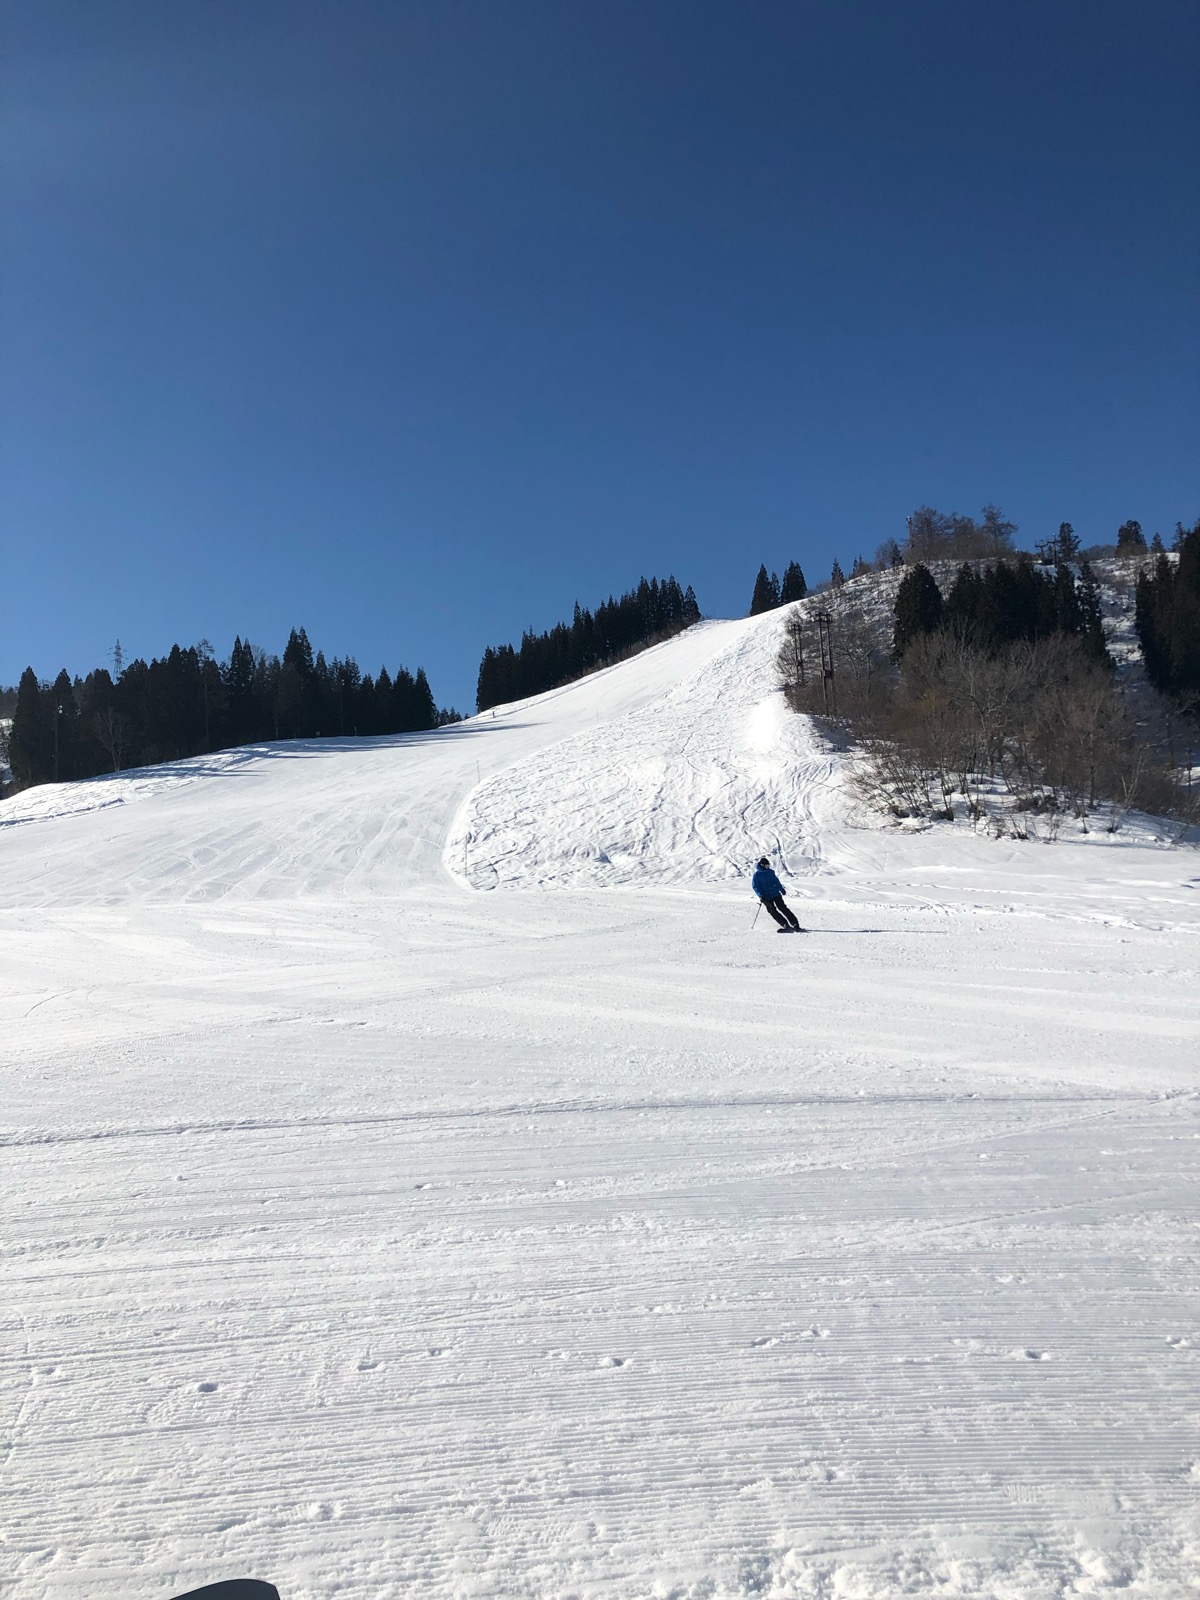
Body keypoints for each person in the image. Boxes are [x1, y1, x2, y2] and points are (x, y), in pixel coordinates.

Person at [752, 856, 801, 932]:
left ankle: (795, 924)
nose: (768, 867)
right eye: (766, 866)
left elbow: (776, 881)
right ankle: (785, 924)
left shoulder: (771, 872)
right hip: (766, 897)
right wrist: (760, 895)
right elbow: (755, 886)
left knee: (783, 908)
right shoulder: (757, 875)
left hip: (775, 894)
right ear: (762, 865)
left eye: (768, 865)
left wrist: (781, 889)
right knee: (772, 911)